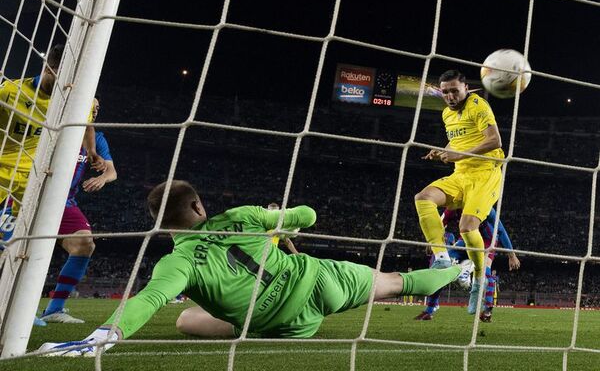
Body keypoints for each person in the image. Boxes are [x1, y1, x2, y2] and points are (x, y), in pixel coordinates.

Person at [39, 180, 471, 356]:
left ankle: (252, 321)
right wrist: (279, 217)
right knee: (399, 281)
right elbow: (309, 216)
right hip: (320, 280)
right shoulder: (243, 216)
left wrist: (103, 336)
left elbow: (148, 299)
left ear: (160, 224)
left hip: (283, 324)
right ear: (198, 205)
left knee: (186, 318)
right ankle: (460, 269)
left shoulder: (177, 261)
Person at [414, 69, 505, 312]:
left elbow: (495, 140)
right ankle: (442, 258)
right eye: (445, 92)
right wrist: (442, 150)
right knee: (423, 198)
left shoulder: (478, 104)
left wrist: (458, 154)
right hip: (460, 174)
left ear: (466, 88)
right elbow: (456, 142)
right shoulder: (446, 114)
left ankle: (478, 277)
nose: (451, 96)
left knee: (467, 227)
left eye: (455, 90)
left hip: (486, 173)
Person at [0, 44, 104, 241]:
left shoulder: (81, 100)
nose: (70, 86)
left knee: (18, 238)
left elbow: (86, 124)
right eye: (66, 78)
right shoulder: (10, 92)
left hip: (32, 178)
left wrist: (91, 151)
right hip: (2, 168)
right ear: (49, 69)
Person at [39, 100, 117, 324]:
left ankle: (54, 309)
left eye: (97, 108)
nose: (94, 110)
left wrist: (102, 178)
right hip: (32, 197)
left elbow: (112, 172)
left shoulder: (98, 139)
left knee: (85, 244)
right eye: (90, 105)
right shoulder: (56, 128)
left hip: (65, 203)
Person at [414, 207, 520, 322]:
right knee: (442, 266)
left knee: (486, 271)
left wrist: (511, 255)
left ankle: (487, 311)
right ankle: (430, 309)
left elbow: (500, 230)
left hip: (487, 241)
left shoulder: (485, 206)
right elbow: (439, 223)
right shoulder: (453, 206)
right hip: (465, 239)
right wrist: (433, 241)